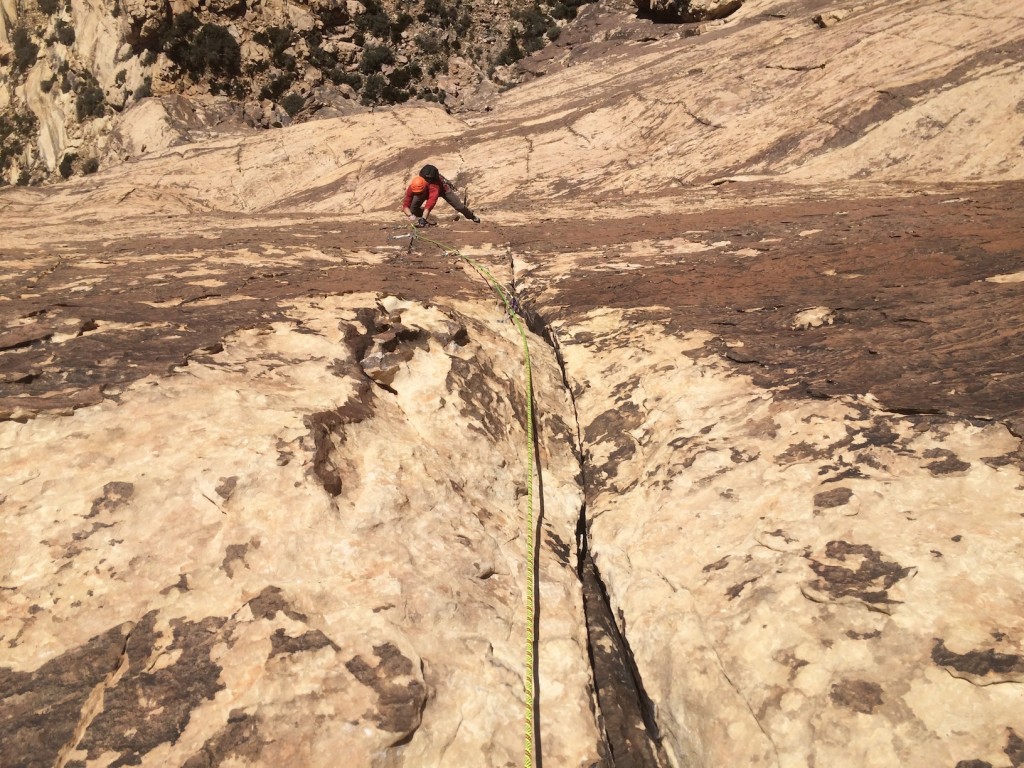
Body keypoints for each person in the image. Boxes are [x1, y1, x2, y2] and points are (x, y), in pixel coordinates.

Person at [402, 164, 480, 227]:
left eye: (419, 192)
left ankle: (472, 216)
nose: (417, 194)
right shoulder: (415, 185)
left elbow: (430, 203)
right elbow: (406, 205)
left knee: (459, 206)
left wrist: (423, 219)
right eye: (416, 192)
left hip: (443, 190)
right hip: (424, 190)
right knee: (412, 210)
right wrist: (410, 215)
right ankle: (426, 217)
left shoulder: (434, 187)